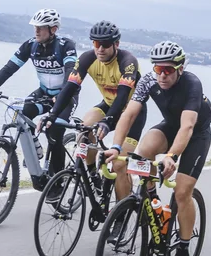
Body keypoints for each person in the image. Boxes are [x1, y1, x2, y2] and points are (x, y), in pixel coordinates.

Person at [104, 40, 211, 256]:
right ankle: (154, 205)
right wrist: (115, 147)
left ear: (180, 68)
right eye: (158, 69)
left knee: (182, 192)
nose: (162, 75)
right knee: (140, 156)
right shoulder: (149, 81)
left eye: (168, 70)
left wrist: (172, 156)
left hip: (195, 134)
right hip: (169, 127)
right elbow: (129, 114)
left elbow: (187, 127)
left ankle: (183, 250)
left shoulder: (192, 84)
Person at [43, 21, 146, 203]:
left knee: (119, 164)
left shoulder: (128, 62)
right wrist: (52, 115)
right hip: (108, 105)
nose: (100, 49)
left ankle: (120, 217)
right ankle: (93, 175)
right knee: (84, 129)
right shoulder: (87, 58)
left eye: (105, 44)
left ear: (116, 44)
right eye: (96, 44)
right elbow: (69, 88)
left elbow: (122, 97)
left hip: (131, 113)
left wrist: (107, 122)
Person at [0, 8, 77, 187]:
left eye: (41, 27)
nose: (36, 31)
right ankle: (35, 150)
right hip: (43, 93)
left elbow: (70, 73)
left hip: (66, 96)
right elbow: (9, 68)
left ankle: (57, 182)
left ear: (53, 29)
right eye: (35, 27)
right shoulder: (31, 45)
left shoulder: (65, 45)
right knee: (19, 114)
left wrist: (61, 95)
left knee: (54, 133)